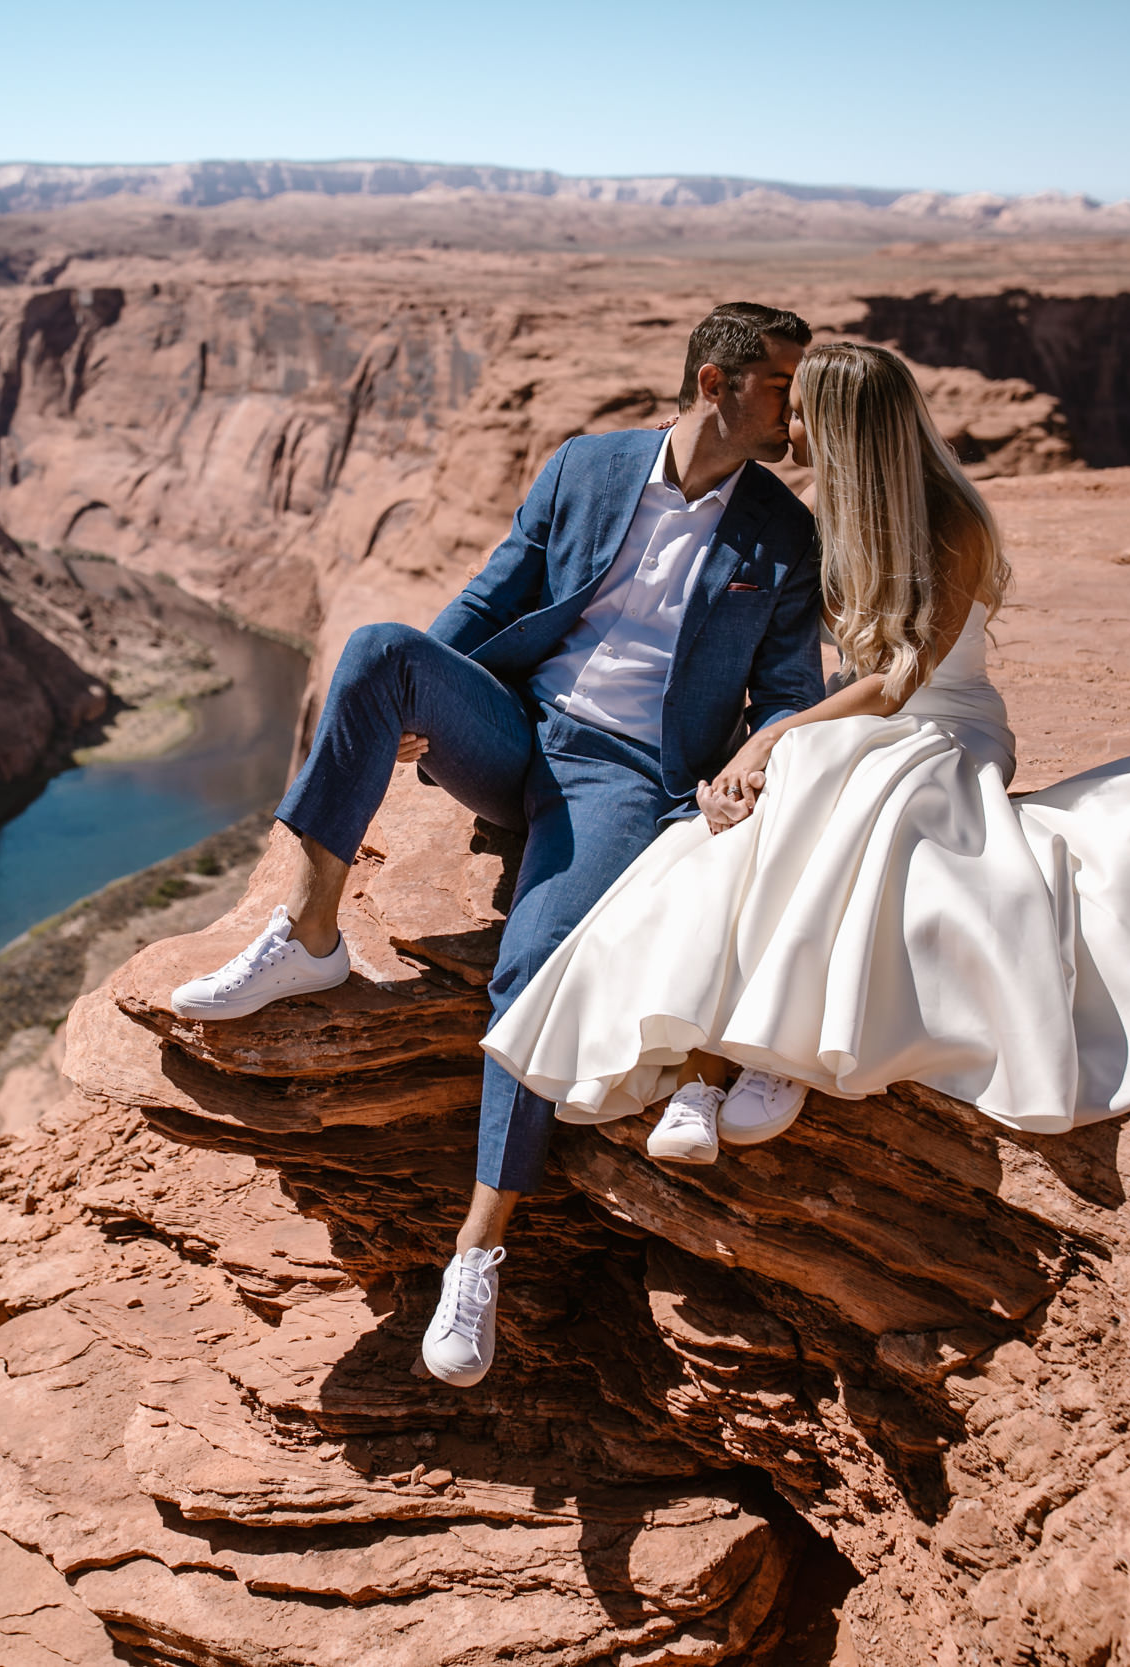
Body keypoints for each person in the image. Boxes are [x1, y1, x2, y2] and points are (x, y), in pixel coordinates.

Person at [483, 343, 1130, 1193]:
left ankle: (775, 1052)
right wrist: (754, 748)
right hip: (864, 721)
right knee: (741, 824)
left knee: (838, 789)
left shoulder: (950, 523)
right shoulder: (835, 519)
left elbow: (898, 680)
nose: (788, 431)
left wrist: (771, 738)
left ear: (851, 429)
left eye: (807, 417)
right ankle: (700, 1061)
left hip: (943, 727)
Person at [169, 303, 827, 1386]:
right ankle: (310, 932)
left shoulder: (780, 535)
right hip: (518, 726)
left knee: (533, 969)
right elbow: (494, 593)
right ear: (715, 382)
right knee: (381, 650)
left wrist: (750, 762)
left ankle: (477, 1249)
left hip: (621, 777)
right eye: (778, 386)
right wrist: (429, 688)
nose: (792, 410)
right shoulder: (586, 467)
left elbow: (791, 691)